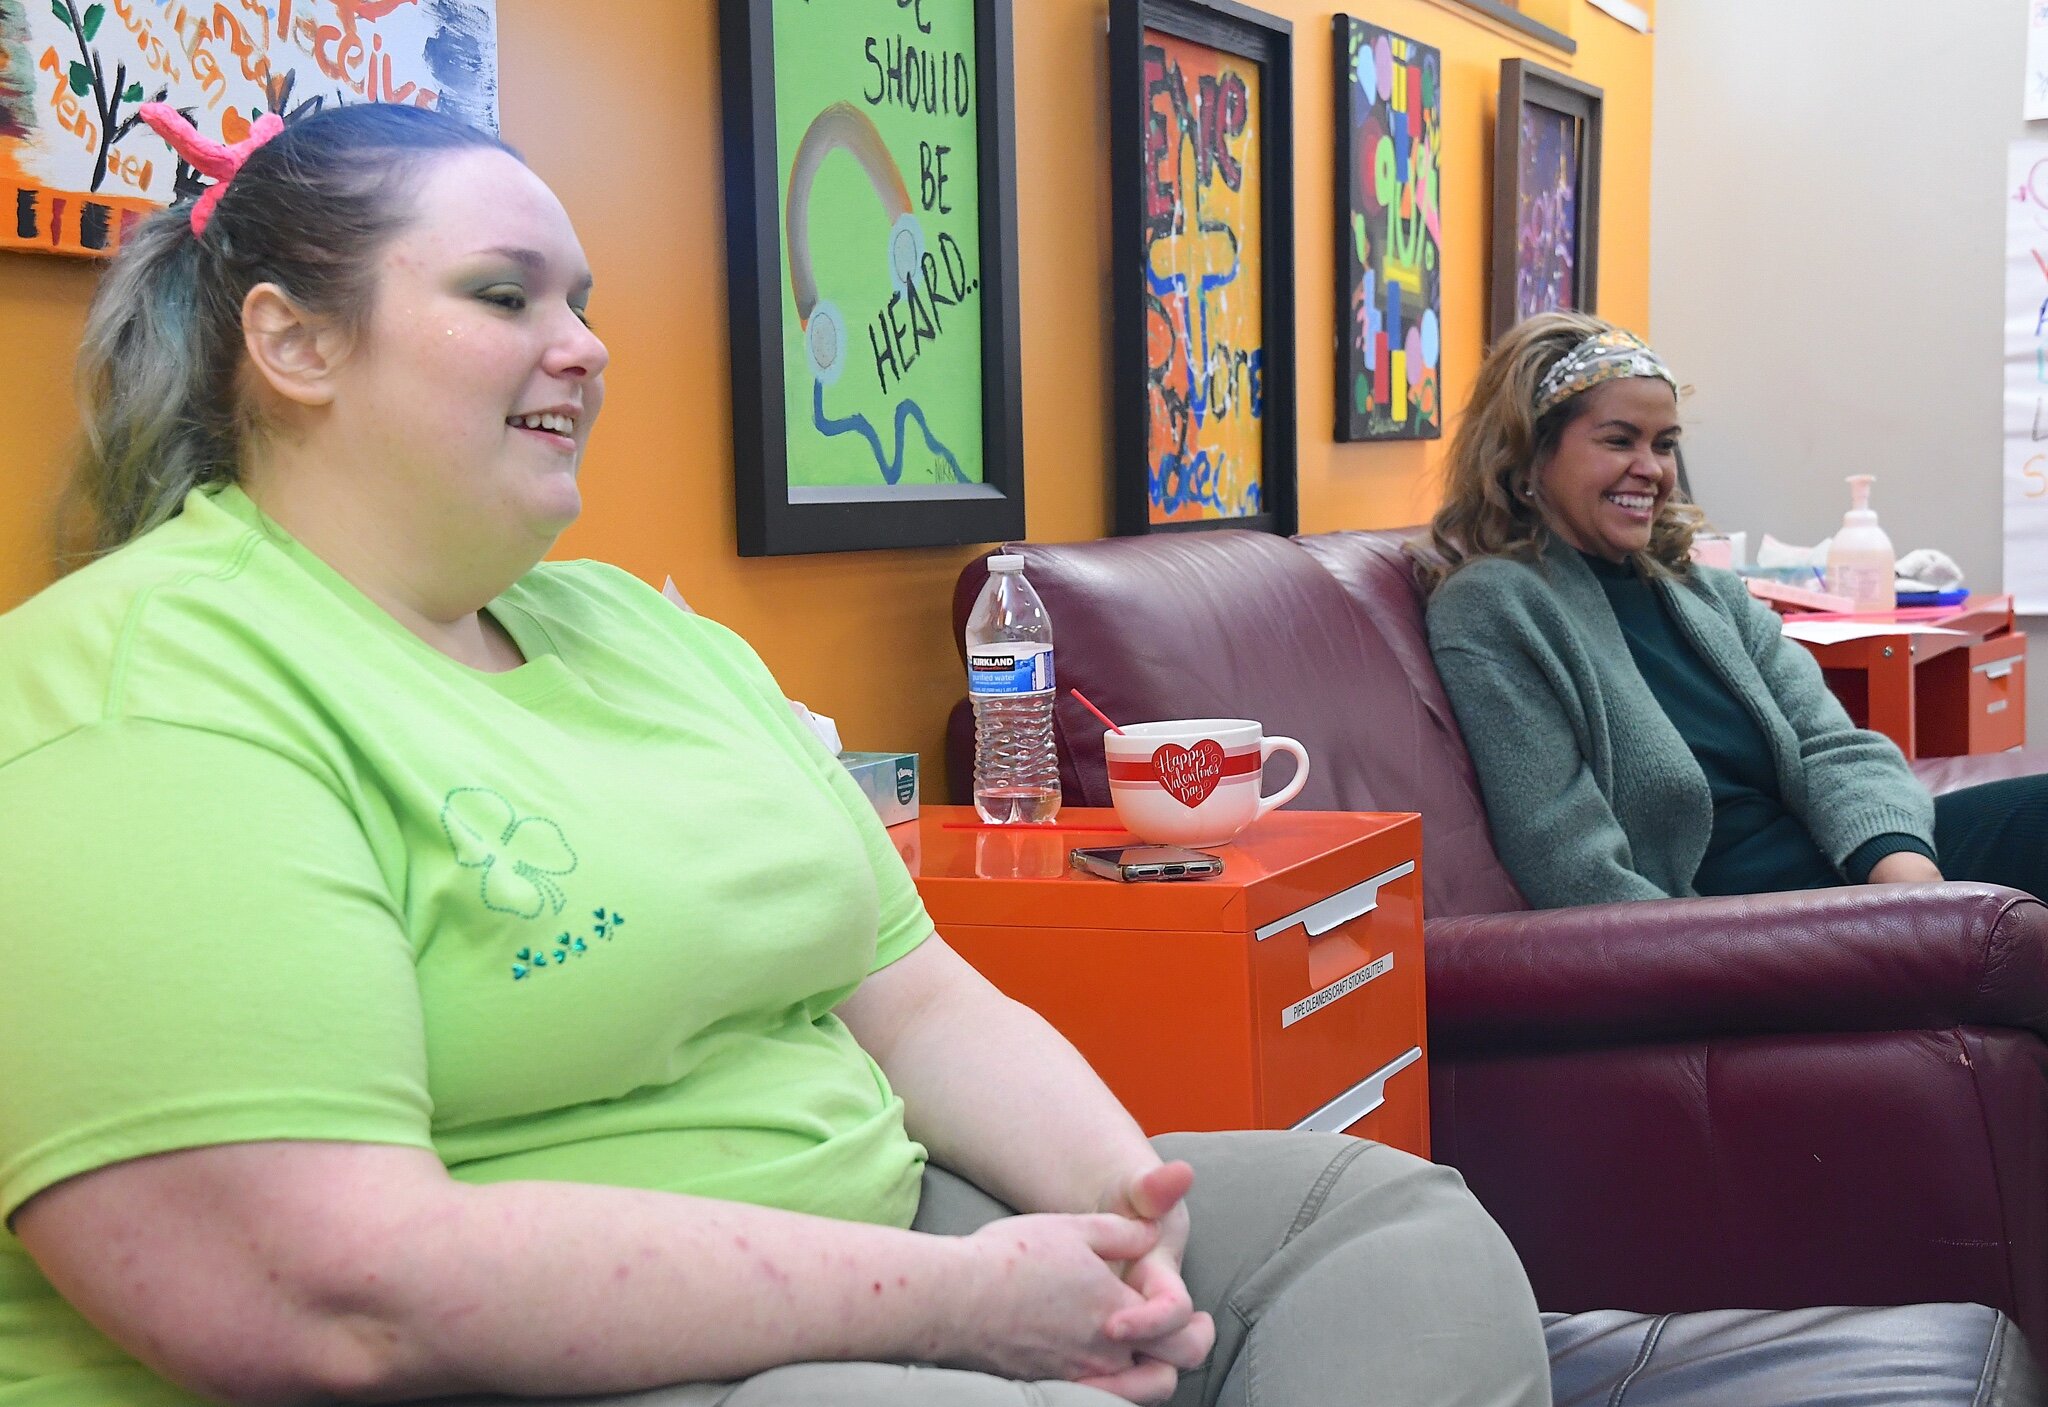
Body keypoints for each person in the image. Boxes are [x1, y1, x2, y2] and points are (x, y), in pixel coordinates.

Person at [0, 103, 1551, 1407]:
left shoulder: (637, 627)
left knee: (1383, 1230)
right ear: (293, 342)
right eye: (505, 295)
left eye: (582, 301)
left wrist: (1117, 1207)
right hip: (534, 1353)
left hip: (886, 1233)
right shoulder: (147, 688)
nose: (584, 347)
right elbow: (328, 1288)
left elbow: (917, 994)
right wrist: (960, 1306)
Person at [1422, 311, 2048, 911]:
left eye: (1665, 444)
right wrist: (1710, 957)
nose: (1651, 470)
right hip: (1732, 932)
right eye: (1619, 441)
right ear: (1529, 457)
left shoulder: (1705, 592)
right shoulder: (1494, 607)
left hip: (1848, 886)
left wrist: (1911, 890)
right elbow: (1567, 858)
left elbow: (1834, 745)